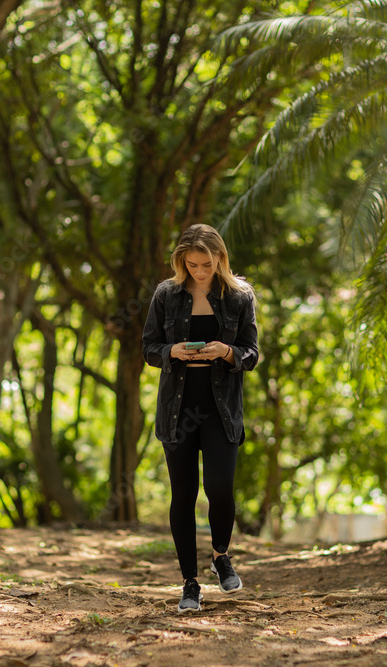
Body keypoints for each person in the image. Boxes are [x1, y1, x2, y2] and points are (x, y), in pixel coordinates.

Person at [142, 223, 259, 613]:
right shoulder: (166, 295)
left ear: (220, 259)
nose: (199, 271)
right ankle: (189, 582)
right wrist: (172, 352)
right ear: (182, 262)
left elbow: (251, 353)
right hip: (177, 411)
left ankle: (220, 555)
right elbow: (149, 347)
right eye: (191, 264)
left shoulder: (240, 297)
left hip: (221, 410)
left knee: (221, 488)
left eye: (206, 264)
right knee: (184, 495)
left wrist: (227, 352)